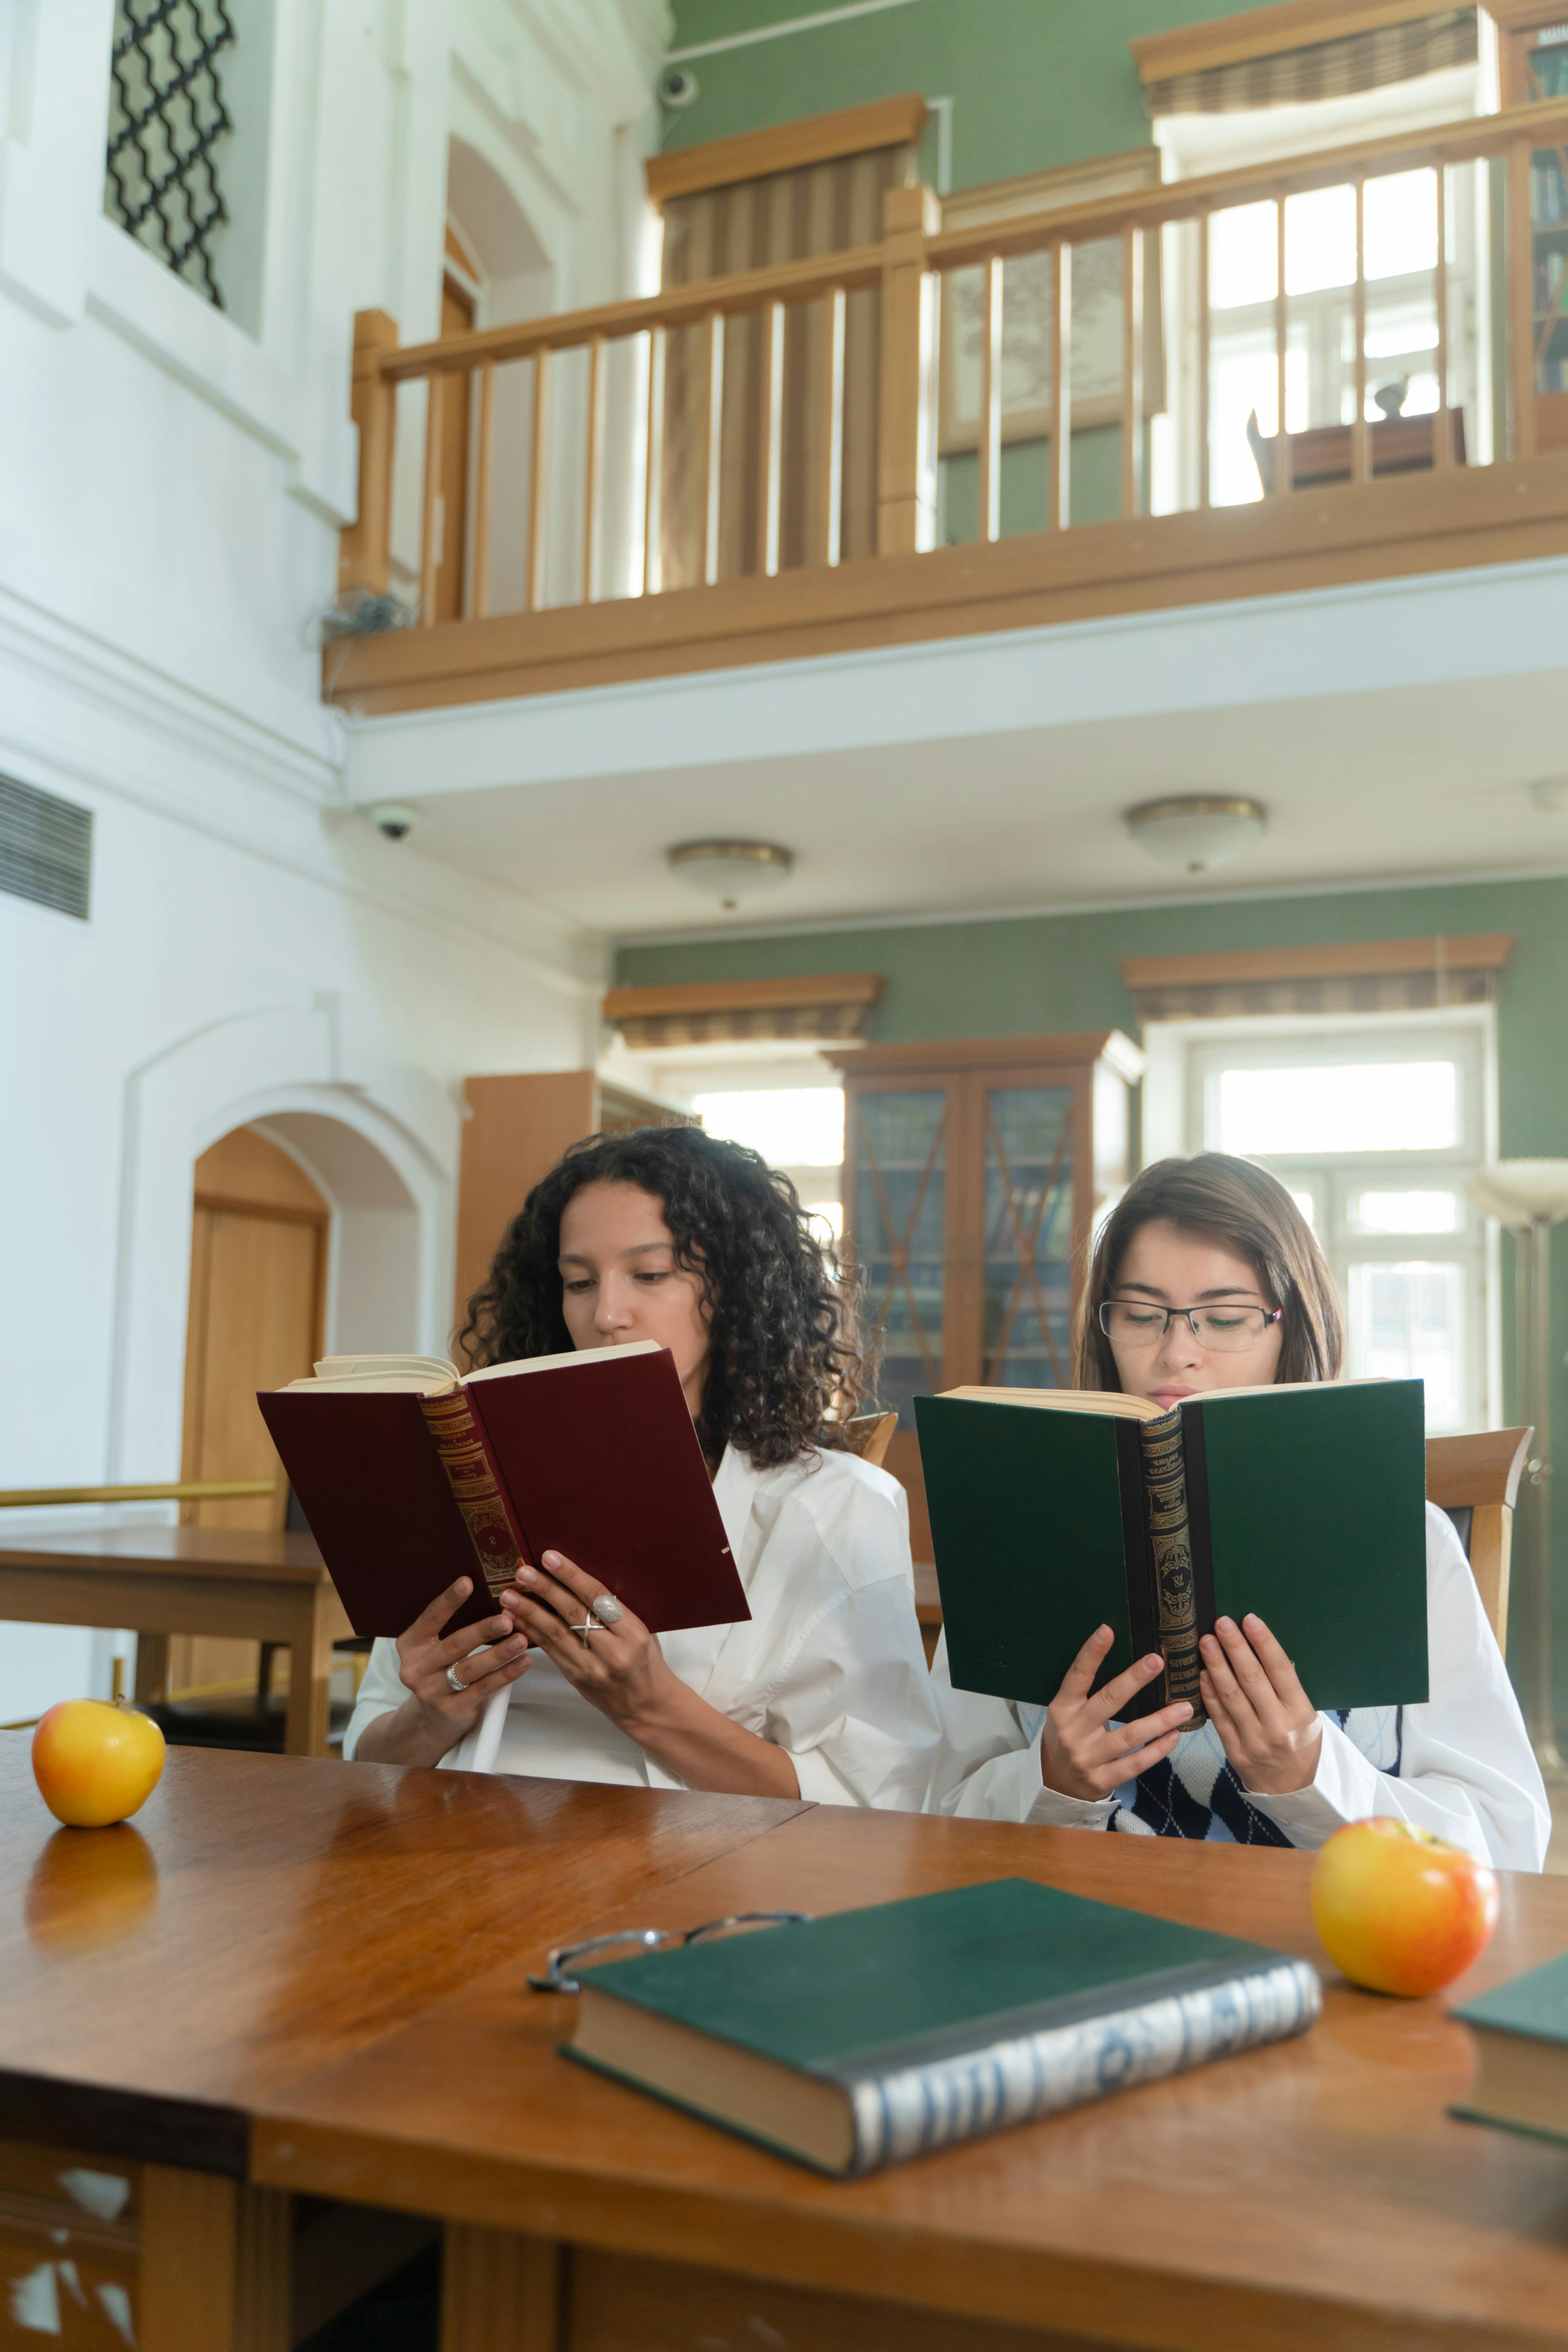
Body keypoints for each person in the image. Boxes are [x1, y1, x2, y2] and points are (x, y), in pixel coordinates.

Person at [926, 1152, 1550, 1869]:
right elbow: (927, 1816)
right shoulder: (1011, 1529)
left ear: (1294, 1331)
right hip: (1079, 1928)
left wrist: (1313, 1775)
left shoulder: (1411, 1541)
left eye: (1224, 1319)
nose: (1176, 1353)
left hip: (1324, 1941)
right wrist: (1049, 1781)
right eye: (1139, 1314)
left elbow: (1508, 1845)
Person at [344, 1126, 940, 1807]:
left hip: (690, 1878)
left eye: (651, 1275)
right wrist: (431, 1717)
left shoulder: (838, 1504)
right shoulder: (474, 1486)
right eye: (578, 1282)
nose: (606, 1314)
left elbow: (877, 1805)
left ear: (734, 1291)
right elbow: (365, 1756)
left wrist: (651, 1707)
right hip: (454, 1850)